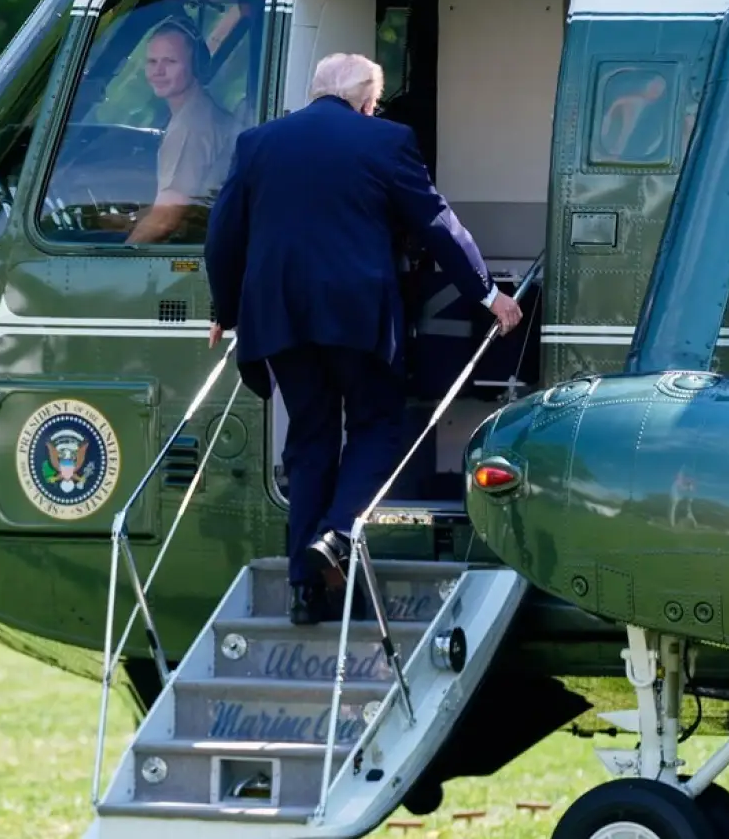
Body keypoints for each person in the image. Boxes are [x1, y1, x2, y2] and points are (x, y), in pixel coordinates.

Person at [203, 53, 522, 624]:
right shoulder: (386, 141)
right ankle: (338, 532)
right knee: (378, 424)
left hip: (280, 318)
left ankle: (305, 592)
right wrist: (487, 294)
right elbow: (436, 222)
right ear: (366, 102)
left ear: (315, 91)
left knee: (309, 441)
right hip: (357, 315)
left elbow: (223, 235)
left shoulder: (258, 143)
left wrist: (225, 312)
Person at [125, 18, 244, 244]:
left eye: (170, 61)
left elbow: (165, 220)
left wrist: (122, 255)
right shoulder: (198, 110)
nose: (158, 71)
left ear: (195, 67)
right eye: (152, 62)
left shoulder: (190, 126)